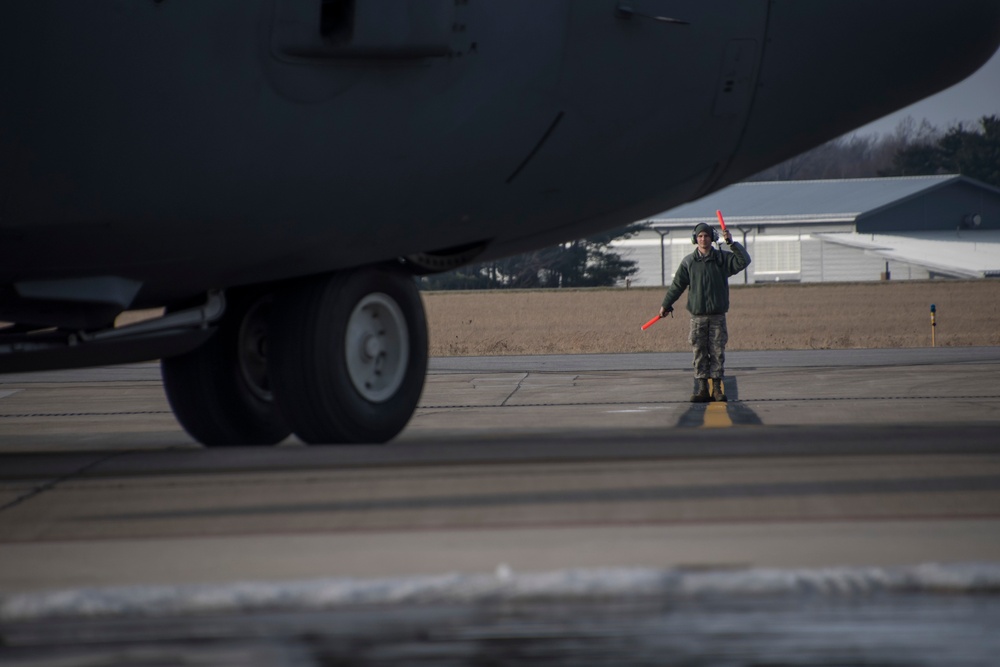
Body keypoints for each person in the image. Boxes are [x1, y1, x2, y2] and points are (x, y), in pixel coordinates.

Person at [658, 222, 751, 402]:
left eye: (706, 236)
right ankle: (702, 388)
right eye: (700, 236)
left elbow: (743, 261)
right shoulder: (688, 262)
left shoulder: (722, 259)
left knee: (717, 351)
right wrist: (665, 304)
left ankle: (716, 388)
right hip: (697, 316)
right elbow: (677, 286)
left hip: (717, 315)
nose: (703, 239)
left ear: (712, 238)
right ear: (695, 239)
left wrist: (732, 243)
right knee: (699, 352)